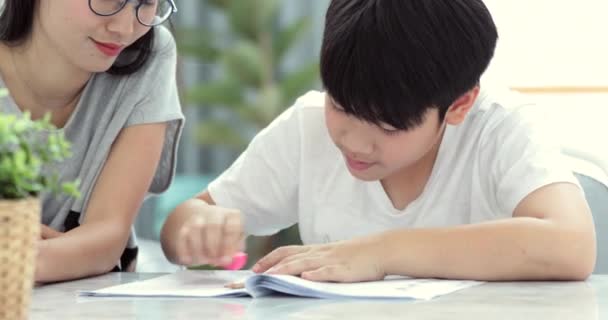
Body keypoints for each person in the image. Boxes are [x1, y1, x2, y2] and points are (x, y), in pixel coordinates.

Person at [161, 0, 596, 282]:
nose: (354, 143)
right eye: (343, 108)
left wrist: (382, 251)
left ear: (459, 105)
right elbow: (186, 219)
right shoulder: (307, 128)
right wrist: (195, 228)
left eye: (388, 128)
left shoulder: (499, 128)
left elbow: (572, 245)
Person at [0, 0, 183, 283]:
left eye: (145, 2)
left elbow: (106, 241)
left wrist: (16, 258)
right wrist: (68, 252)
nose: (124, 28)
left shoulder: (151, 51)